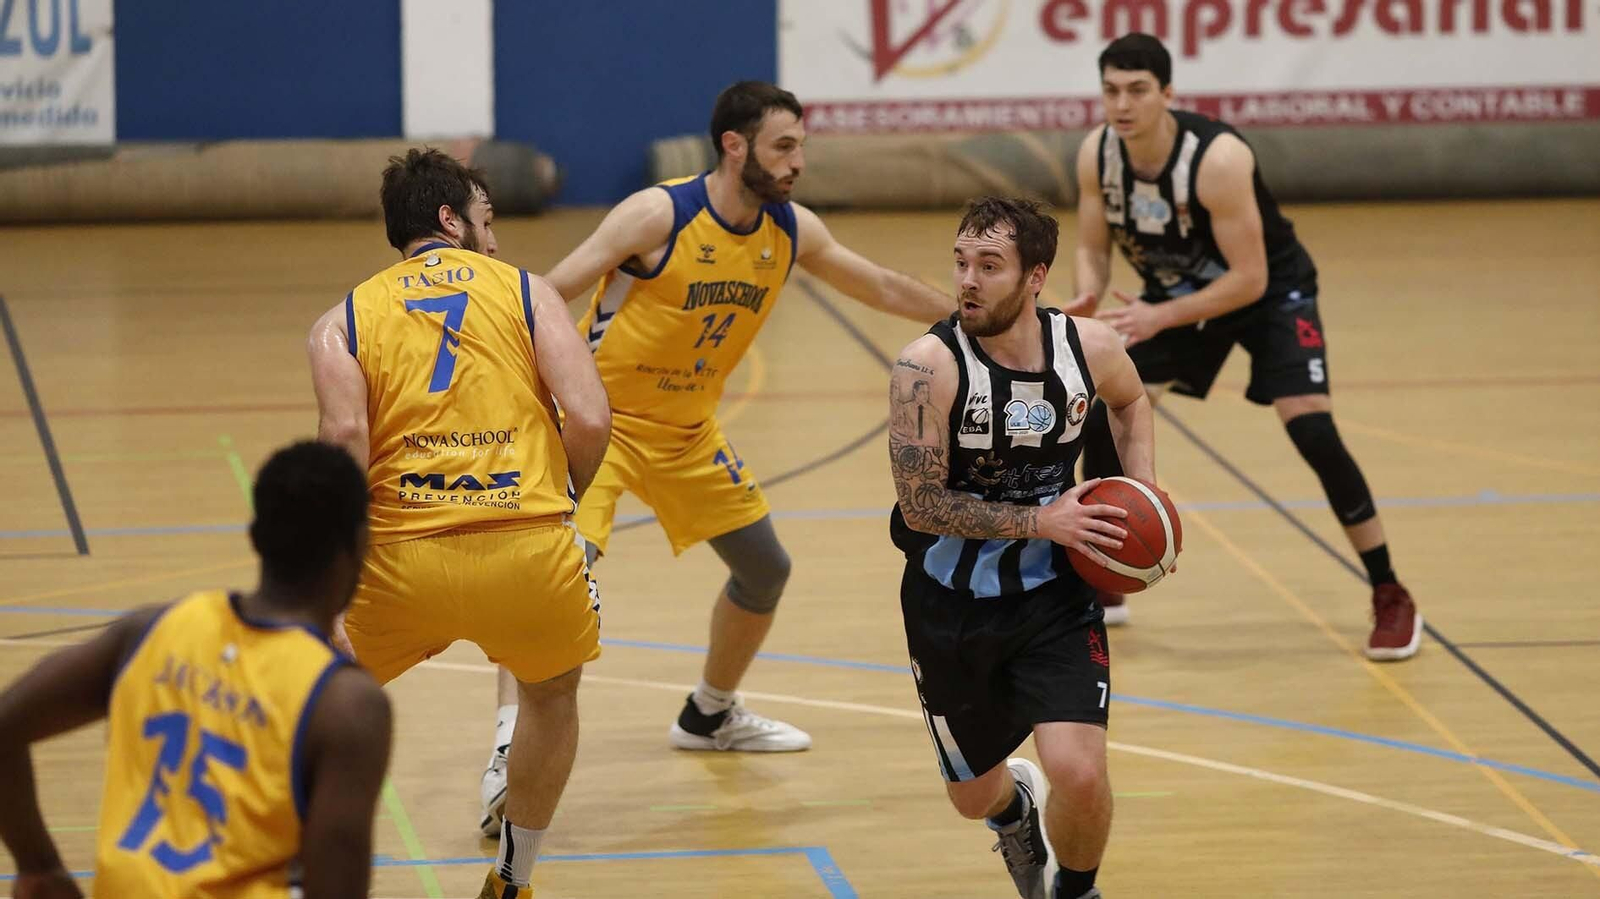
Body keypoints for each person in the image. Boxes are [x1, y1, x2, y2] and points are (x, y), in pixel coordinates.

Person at [476, 80, 955, 836]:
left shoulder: (791, 228)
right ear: (735, 146)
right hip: (602, 423)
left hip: (688, 430)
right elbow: (546, 291)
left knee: (765, 569)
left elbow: (884, 285)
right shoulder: (658, 214)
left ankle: (709, 713)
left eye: (801, 145)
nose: (798, 161)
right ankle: (508, 754)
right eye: (783, 146)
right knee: (553, 579)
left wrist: (984, 312)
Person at [306, 148, 610, 898]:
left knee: (310, 700)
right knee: (551, 690)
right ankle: (512, 878)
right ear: (450, 219)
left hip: (400, 560)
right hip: (527, 549)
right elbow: (592, 416)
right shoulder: (527, 293)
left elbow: (343, 444)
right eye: (486, 221)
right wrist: (560, 497)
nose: (495, 239)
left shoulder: (340, 320)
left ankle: (295, 871)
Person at [1068, 33, 1421, 659]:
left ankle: (1389, 590)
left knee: (1311, 428)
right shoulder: (1097, 153)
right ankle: (1109, 571)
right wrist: (1090, 295)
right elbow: (1093, 245)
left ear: (1169, 94)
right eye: (1111, 91)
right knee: (1100, 409)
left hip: (1267, 296)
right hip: (1174, 301)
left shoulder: (1218, 159)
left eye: (1138, 91)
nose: (1122, 104)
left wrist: (1159, 317)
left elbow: (1250, 277)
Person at [890, 196, 1157, 899]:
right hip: (949, 606)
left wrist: (1146, 492)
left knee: (1079, 768)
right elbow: (920, 507)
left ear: (1035, 276)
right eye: (960, 262)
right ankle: (1015, 813)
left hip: (1054, 599)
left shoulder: (1088, 347)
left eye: (989, 265)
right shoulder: (926, 367)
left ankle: (1077, 889)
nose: (967, 280)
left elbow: (1131, 402)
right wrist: (1044, 522)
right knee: (972, 795)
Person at [0, 441, 390, 899]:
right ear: (361, 543)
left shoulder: (150, 631)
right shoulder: (345, 704)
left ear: (255, 535)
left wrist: (39, 865)